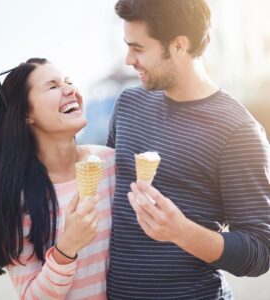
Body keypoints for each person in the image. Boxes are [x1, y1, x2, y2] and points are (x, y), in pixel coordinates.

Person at [107, 1, 270, 299]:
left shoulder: (238, 131)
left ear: (179, 45)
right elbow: (107, 194)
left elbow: (260, 250)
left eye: (139, 48)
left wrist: (181, 231)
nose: (128, 59)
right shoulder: (128, 105)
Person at [0, 58, 115, 299]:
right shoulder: (15, 198)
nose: (70, 89)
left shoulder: (111, 163)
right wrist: (67, 247)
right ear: (27, 113)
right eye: (53, 86)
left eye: (68, 81)